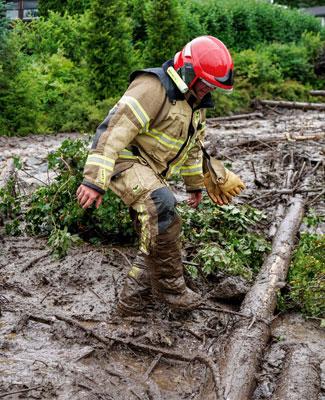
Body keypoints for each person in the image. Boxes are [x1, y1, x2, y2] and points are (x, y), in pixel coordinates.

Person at [76, 36, 246, 315]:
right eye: (205, 83)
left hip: (150, 169)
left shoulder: (196, 102)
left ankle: (131, 305)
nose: (207, 90)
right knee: (161, 204)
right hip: (124, 159)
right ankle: (170, 290)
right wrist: (94, 181)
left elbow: (193, 147)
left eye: (213, 86)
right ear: (188, 71)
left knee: (164, 224)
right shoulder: (152, 88)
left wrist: (195, 185)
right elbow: (112, 132)